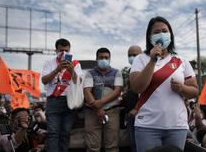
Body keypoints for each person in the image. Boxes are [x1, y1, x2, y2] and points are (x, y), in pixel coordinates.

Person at [130, 16, 199, 152]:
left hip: (176, 126)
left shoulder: (181, 61)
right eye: (156, 32)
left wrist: (182, 88)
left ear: (170, 35)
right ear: (149, 36)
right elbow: (137, 87)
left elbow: (195, 91)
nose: (161, 34)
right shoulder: (141, 59)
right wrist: (152, 61)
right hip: (147, 126)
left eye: (164, 31)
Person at [41, 38, 83, 152]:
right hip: (53, 100)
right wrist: (57, 70)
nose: (64, 53)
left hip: (69, 101)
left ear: (70, 51)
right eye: (61, 50)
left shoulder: (75, 64)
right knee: (53, 132)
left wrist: (72, 71)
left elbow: (79, 81)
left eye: (66, 50)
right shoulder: (49, 63)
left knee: (65, 133)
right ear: (56, 50)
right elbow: (44, 80)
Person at [83, 47, 123, 152]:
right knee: (92, 147)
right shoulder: (89, 73)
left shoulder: (117, 73)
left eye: (106, 57)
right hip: (92, 113)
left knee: (112, 146)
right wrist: (98, 109)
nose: (104, 59)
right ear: (96, 59)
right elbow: (87, 91)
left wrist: (100, 103)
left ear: (110, 59)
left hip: (112, 112)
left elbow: (117, 91)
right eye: (101, 57)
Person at [121, 45, 142, 152]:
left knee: (141, 144)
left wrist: (137, 108)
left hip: (142, 114)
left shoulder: (146, 70)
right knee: (133, 143)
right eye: (130, 55)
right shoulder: (130, 71)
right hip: (130, 114)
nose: (132, 57)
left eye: (135, 55)